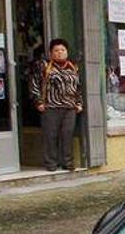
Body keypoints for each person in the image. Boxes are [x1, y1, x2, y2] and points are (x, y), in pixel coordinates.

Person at [30, 38, 84, 172]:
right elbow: (34, 84)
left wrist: (79, 103)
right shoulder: (44, 66)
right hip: (50, 107)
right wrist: (38, 102)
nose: (59, 52)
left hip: (70, 108)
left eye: (62, 50)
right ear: (51, 53)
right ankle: (51, 163)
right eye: (56, 50)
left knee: (67, 135)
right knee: (51, 135)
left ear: (67, 52)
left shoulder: (73, 67)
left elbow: (78, 87)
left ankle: (67, 162)